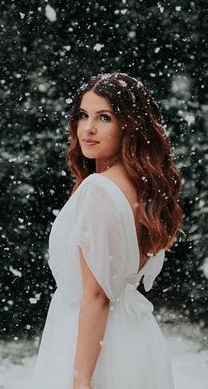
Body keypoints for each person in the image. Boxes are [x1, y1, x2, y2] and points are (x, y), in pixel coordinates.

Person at [29, 72, 184, 389]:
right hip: (135, 338)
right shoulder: (142, 185)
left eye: (104, 117)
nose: (88, 128)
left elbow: (98, 295)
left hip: (97, 345)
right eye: (83, 116)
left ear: (129, 124)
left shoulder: (101, 190)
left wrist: (81, 378)